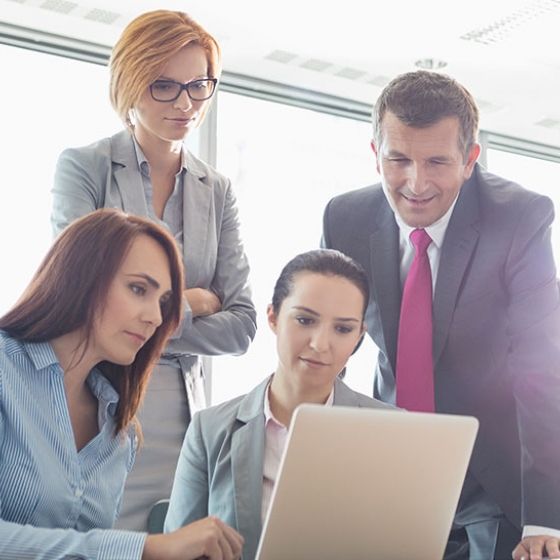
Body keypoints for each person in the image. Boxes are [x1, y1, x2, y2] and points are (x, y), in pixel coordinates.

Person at [322, 69, 560, 560]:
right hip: (391, 464)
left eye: (436, 162)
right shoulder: (344, 219)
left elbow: (542, 371)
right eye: (398, 159)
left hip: (490, 476)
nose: (415, 183)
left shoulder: (518, 219)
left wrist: (545, 516)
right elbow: (328, 352)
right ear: (375, 154)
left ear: (470, 159)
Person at [51, 9, 256, 530]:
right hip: (94, 400)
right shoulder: (85, 167)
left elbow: (242, 326)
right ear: (131, 84)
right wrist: (194, 301)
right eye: (164, 85)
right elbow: (84, 298)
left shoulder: (219, 189)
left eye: (198, 85)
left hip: (179, 416)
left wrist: (146, 306)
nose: (185, 103)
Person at [0, 209, 243, 560]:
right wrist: (144, 548)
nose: (156, 318)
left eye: (163, 302)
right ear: (79, 277)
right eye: (137, 288)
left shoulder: (119, 432)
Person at [163, 249, 394, 559]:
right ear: (272, 317)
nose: (320, 344)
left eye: (343, 329)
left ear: (359, 336)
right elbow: (176, 550)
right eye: (305, 320)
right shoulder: (210, 431)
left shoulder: (391, 431)